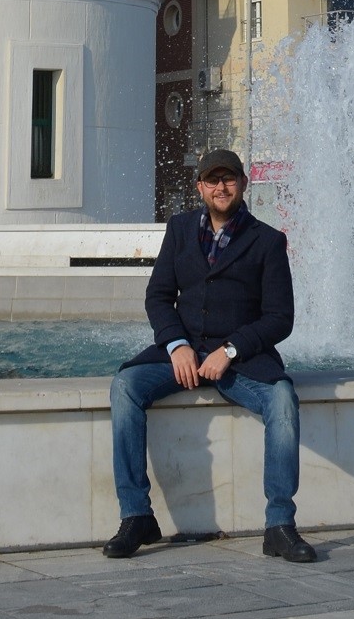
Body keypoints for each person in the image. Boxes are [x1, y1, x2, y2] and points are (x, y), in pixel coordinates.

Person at [103, 148, 315, 563]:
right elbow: (159, 297)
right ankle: (137, 516)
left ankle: (280, 525)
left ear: (243, 184)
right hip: (182, 353)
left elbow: (280, 318)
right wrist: (175, 344)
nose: (221, 187)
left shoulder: (268, 241)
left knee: (283, 401)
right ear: (199, 186)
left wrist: (230, 349)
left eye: (229, 179)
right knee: (125, 386)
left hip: (241, 360)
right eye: (212, 180)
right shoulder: (180, 230)